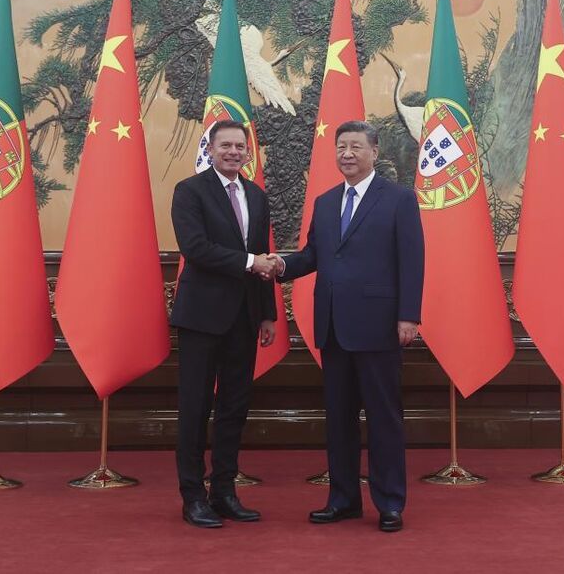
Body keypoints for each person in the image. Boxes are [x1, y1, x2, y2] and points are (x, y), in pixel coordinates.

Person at [274, 120, 424, 532]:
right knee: (338, 419)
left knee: (383, 418)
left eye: (356, 147)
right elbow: (313, 256)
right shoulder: (324, 202)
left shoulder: (399, 199)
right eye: (341, 147)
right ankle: (342, 500)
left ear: (375, 152)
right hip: (334, 327)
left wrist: (409, 315)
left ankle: (390, 503)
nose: (347, 154)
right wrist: (281, 265)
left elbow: (412, 261)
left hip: (379, 326)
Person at [170, 119, 278, 529]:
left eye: (240, 146)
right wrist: (251, 262)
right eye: (225, 146)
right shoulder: (190, 191)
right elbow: (196, 249)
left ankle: (225, 491)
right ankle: (193, 496)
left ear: (248, 153)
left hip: (245, 317)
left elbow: (262, 253)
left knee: (234, 406)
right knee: (195, 408)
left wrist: (267, 312)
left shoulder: (256, 195)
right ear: (210, 150)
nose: (233, 152)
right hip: (201, 317)